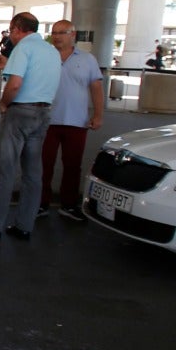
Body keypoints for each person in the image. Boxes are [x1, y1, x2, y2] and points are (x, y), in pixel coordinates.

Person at [0, 12, 62, 239]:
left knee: (5, 169)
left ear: (17, 28)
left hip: (20, 111)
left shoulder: (23, 48)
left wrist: (4, 104)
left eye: (11, 31)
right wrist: (9, 65)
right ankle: (24, 225)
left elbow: (15, 84)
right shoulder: (50, 50)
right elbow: (38, 75)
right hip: (43, 111)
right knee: (33, 172)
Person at [39, 20, 104, 221]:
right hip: (46, 120)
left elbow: (96, 88)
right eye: (54, 33)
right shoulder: (44, 57)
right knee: (43, 164)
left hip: (77, 121)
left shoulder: (87, 59)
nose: (57, 36)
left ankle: (68, 205)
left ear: (72, 35)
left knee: (73, 166)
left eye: (62, 32)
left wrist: (98, 115)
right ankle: (40, 203)